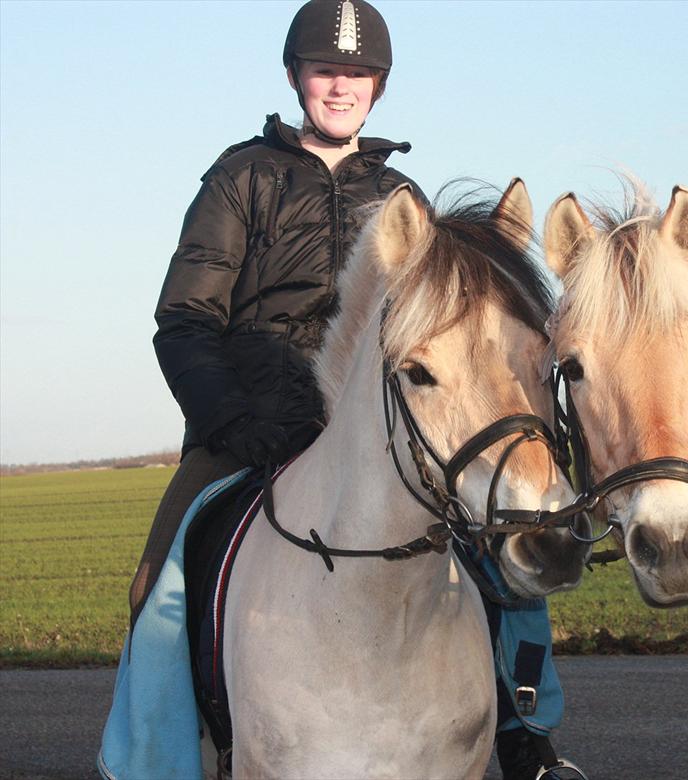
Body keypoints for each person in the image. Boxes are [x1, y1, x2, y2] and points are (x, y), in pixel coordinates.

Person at [129, 2, 570, 777]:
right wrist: (230, 416)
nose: (341, 87)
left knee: (506, 546)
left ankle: (524, 734)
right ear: (297, 76)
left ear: (379, 86)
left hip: (378, 422)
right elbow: (186, 319)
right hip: (248, 424)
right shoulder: (241, 178)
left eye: (358, 74)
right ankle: (156, 760)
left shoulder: (403, 194)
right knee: (157, 592)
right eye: (327, 70)